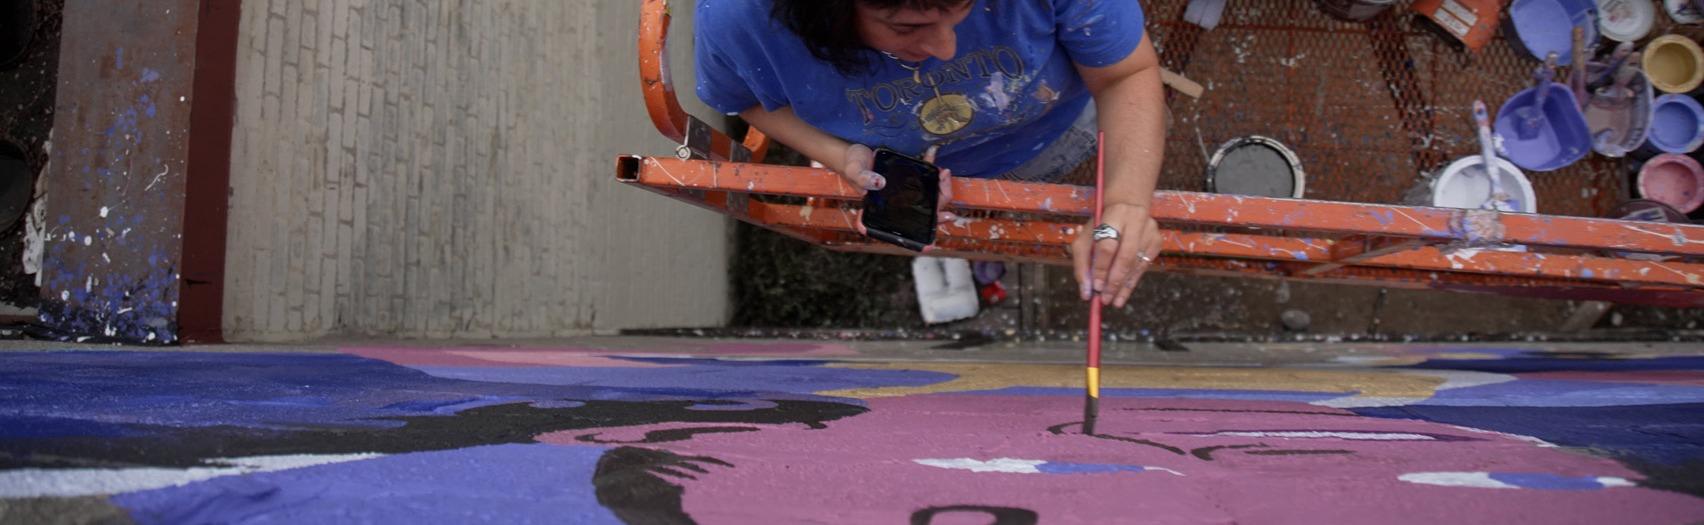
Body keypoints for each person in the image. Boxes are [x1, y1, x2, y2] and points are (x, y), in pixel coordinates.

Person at [695, 0, 1165, 308]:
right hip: (892, 160)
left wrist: (1126, 203)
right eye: (908, 26)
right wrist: (842, 156)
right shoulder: (739, 16)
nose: (944, 47)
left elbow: (1125, 75)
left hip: (1046, 130)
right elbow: (745, 98)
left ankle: (981, 260)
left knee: (1003, 214)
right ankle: (973, 262)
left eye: (963, 9)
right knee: (936, 226)